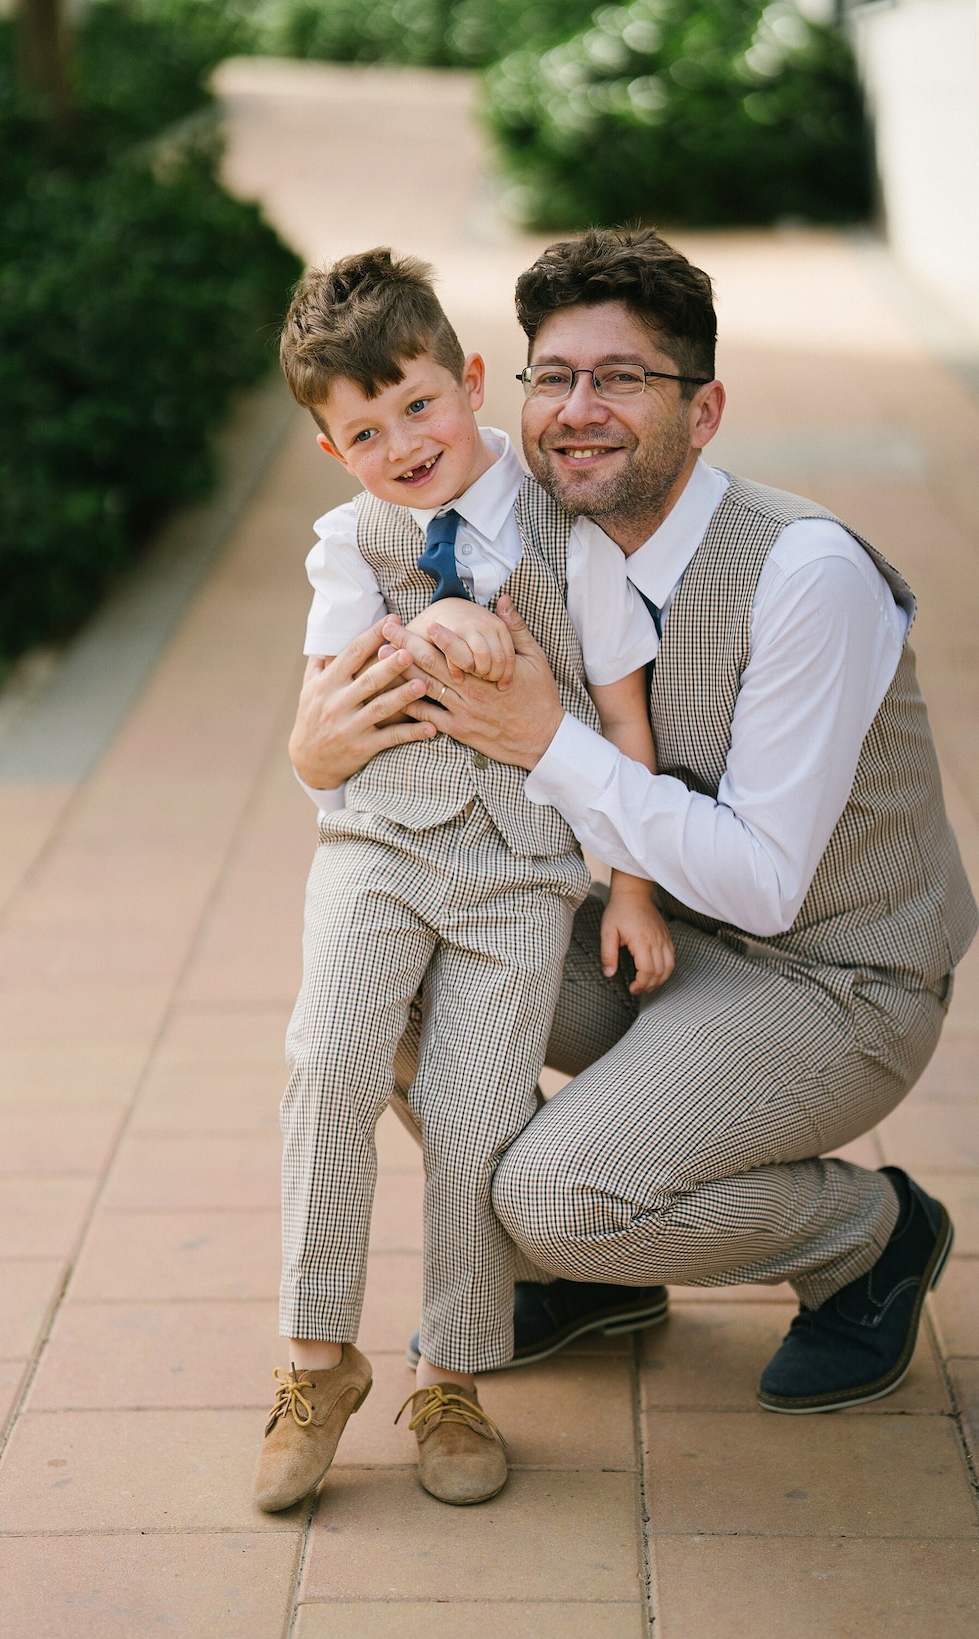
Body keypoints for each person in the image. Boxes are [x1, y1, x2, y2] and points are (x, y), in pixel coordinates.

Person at [294, 227, 977, 1416]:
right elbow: (366, 760)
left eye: (623, 379)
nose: (577, 410)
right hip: (645, 931)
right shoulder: (533, 545)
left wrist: (543, 738)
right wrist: (316, 758)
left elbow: (765, 885)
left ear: (704, 412)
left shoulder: (804, 574)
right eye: (553, 376)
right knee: (382, 981)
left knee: (558, 1194)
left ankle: (867, 1235)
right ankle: (598, 1273)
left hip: (825, 975)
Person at [254, 247, 672, 1514]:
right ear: (335, 452)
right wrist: (430, 625)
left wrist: (636, 887)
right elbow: (333, 697)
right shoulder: (349, 540)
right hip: (378, 846)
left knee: (473, 1110)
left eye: (420, 404)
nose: (403, 442)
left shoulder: (567, 527)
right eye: (365, 430)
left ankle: (451, 1376)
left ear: (471, 380)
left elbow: (622, 711)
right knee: (330, 1056)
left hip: (517, 876)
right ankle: (316, 1360)